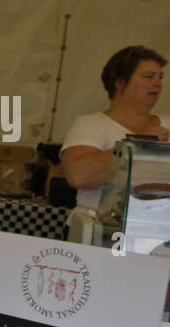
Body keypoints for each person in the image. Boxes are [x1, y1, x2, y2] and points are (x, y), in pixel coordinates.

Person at [61, 45, 167, 216]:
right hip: (98, 229)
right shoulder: (91, 124)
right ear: (120, 83)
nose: (158, 83)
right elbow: (79, 176)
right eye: (149, 77)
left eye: (160, 77)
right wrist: (140, 143)